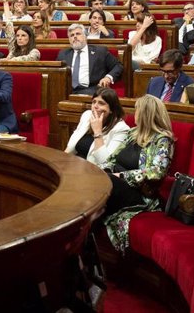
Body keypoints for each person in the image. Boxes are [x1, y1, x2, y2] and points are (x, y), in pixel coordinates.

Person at [101, 95, 175, 253]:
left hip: (139, 193)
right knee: (97, 178)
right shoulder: (132, 133)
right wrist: (101, 170)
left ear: (145, 114)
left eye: (137, 110)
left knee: (105, 185)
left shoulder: (162, 140)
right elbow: (111, 159)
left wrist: (122, 177)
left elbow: (157, 172)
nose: (133, 114)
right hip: (115, 184)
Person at [65, 87, 130, 165]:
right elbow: (70, 147)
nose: (95, 106)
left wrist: (97, 132)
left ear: (111, 109)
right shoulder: (87, 115)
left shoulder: (121, 129)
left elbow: (106, 163)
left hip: (95, 172)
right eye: (93, 102)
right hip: (74, 164)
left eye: (101, 103)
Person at [57, 23, 123, 95]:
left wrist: (108, 78)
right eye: (72, 35)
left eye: (78, 34)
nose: (75, 37)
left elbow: (118, 65)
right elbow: (56, 73)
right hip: (67, 90)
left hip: (91, 90)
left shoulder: (99, 51)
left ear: (85, 37)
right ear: (69, 40)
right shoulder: (63, 54)